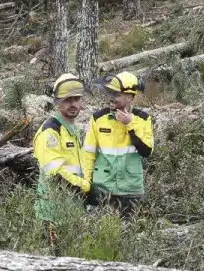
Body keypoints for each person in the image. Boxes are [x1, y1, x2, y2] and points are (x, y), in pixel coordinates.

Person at [80, 71, 155, 215]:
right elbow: (88, 154)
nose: (111, 97)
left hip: (131, 190)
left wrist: (130, 125)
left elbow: (146, 152)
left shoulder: (143, 119)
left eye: (117, 94)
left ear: (130, 97)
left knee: (129, 234)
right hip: (101, 188)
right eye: (110, 93)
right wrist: (87, 184)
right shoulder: (97, 119)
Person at [34, 74, 89, 219]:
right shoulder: (50, 131)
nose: (73, 104)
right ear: (58, 102)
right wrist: (84, 187)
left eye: (76, 99)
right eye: (67, 100)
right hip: (52, 212)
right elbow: (55, 173)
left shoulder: (73, 129)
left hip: (72, 208)